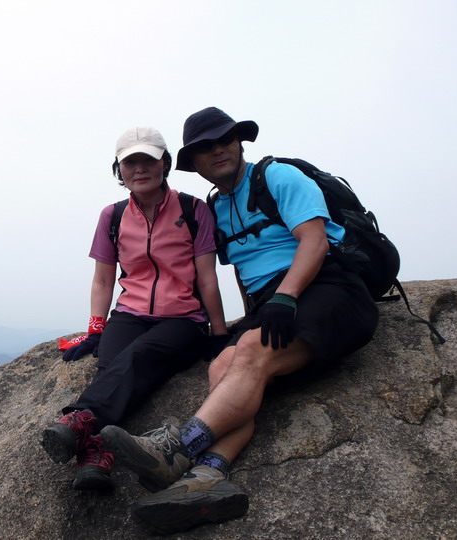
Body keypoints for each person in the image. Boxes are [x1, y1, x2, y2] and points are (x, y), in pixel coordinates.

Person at [99, 107, 379, 534]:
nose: (218, 151)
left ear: (240, 142)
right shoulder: (218, 207)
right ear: (194, 163)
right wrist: (243, 322)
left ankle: (177, 449)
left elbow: (315, 240)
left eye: (225, 141)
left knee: (250, 351)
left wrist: (285, 297)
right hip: (274, 301)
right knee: (224, 365)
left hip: (328, 286)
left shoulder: (279, 177)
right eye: (205, 149)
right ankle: (208, 477)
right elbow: (241, 271)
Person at [40, 126, 229, 491]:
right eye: (130, 162)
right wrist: (96, 329)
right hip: (129, 314)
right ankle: (96, 454)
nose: (139, 169)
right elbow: (103, 279)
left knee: (139, 357)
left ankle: (80, 422)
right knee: (112, 364)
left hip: (183, 320)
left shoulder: (193, 209)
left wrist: (219, 333)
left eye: (148, 160)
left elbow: (207, 277)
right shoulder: (112, 216)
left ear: (164, 165)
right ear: (119, 170)